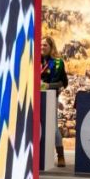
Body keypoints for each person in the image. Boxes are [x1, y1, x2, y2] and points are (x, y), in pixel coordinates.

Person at [40, 36, 69, 167]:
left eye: (45, 45)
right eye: (41, 45)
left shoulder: (58, 63)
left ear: (51, 47)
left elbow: (63, 83)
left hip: (51, 97)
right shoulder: (34, 60)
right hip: (35, 97)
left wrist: (48, 86)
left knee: (53, 127)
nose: (42, 47)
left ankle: (60, 155)